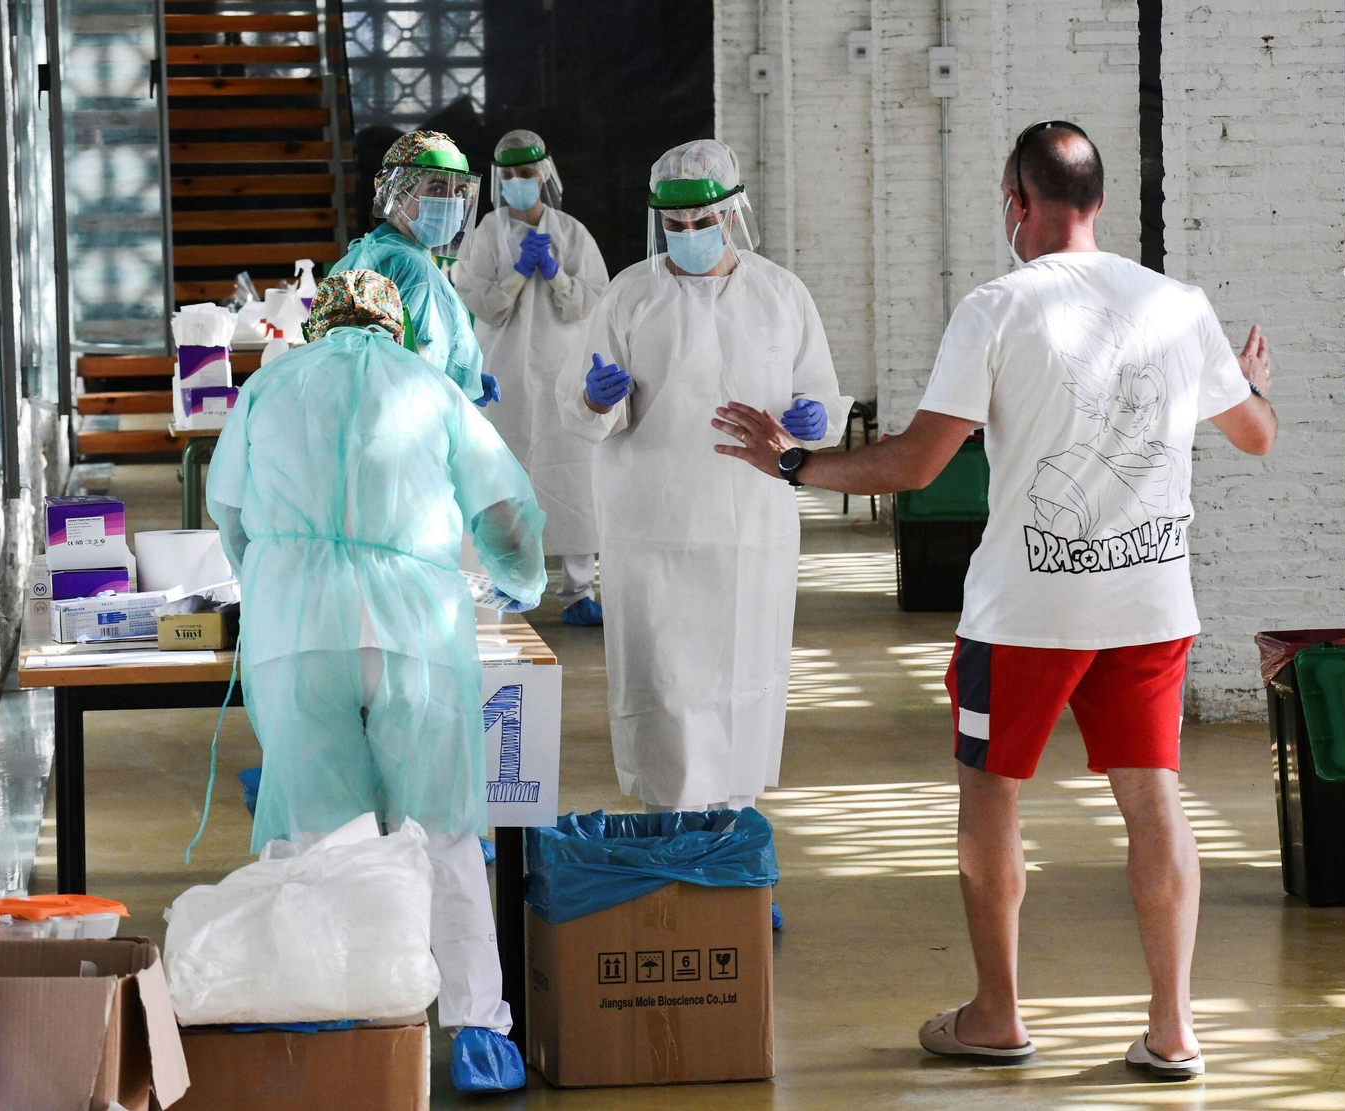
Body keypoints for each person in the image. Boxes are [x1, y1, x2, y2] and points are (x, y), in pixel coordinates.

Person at [710, 122, 1277, 1079]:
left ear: (1018, 203)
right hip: (1149, 603)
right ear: (1096, 201)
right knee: (1153, 800)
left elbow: (915, 463)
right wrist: (1250, 383)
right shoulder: (1181, 307)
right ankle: (1174, 1028)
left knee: (991, 794)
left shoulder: (998, 307)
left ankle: (998, 1014)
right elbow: (1256, 435)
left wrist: (795, 463)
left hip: (1027, 611)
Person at [206, 269, 547, 1093]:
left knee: (320, 832)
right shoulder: (428, 386)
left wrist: (281, 576)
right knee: (443, 827)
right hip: (411, 632)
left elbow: (229, 512)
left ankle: (343, 1019)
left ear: (317, 324)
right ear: (396, 328)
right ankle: (476, 1032)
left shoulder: (270, 386)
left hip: (299, 637)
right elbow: (504, 509)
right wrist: (519, 580)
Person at [558, 139, 851, 813]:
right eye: (675, 225)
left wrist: (814, 420)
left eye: (702, 222)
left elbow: (823, 395)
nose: (688, 237)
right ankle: (674, 843)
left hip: (750, 526)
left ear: (733, 212)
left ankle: (730, 855)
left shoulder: (781, 296)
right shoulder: (631, 295)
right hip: (652, 524)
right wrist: (598, 397)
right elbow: (580, 407)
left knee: (744, 679)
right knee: (662, 685)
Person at [455, 130, 610, 626]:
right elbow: (478, 302)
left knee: (574, 475)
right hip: (504, 376)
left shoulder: (572, 233)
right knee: (504, 476)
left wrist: (557, 274)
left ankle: (579, 592)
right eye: (510, 175)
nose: (520, 183)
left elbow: (590, 300)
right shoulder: (485, 234)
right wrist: (519, 273)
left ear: (544, 173)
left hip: (562, 371)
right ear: (498, 179)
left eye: (527, 173)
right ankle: (507, 586)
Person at [334, 130, 495, 405]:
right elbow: (423, 362)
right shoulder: (414, 268)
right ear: (396, 195)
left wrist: (464, 374)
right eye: (436, 188)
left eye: (458, 191)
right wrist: (456, 385)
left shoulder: (363, 251)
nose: (451, 201)